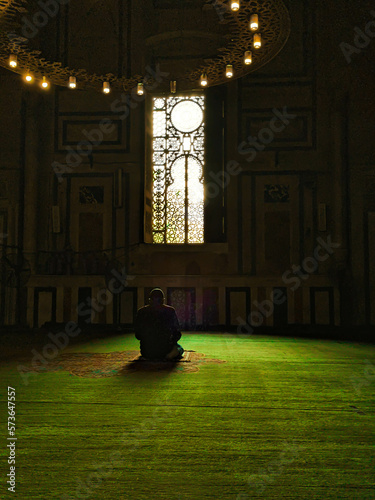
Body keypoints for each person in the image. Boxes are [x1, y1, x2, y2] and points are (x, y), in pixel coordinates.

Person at [134, 288, 184, 361]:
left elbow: (137, 335)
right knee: (179, 348)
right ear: (163, 300)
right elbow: (177, 333)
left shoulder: (141, 312)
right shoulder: (170, 311)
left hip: (147, 352)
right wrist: (170, 342)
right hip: (166, 350)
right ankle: (170, 355)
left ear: (149, 300)